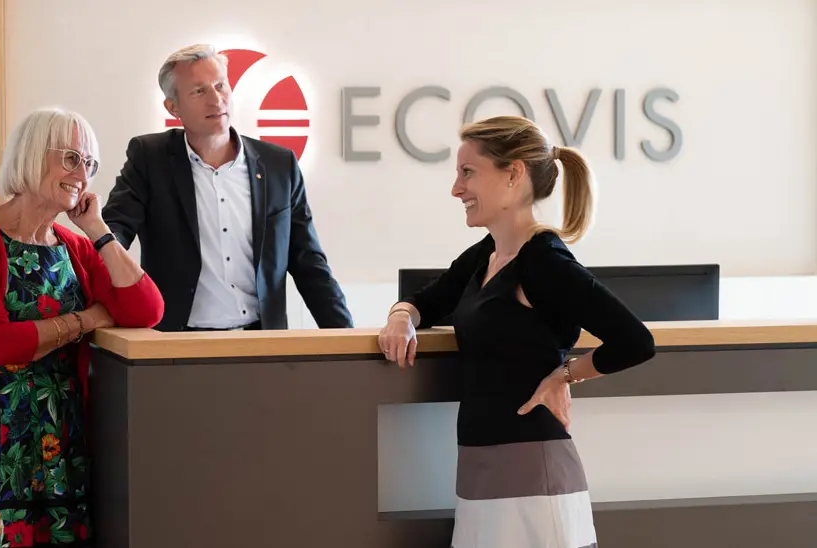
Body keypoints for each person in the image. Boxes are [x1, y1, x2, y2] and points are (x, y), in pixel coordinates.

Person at [377, 115, 656, 548]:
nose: (456, 189)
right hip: (479, 467)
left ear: (513, 174)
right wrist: (400, 316)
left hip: (532, 473)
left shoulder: (544, 261)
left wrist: (564, 375)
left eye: (468, 172)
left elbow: (635, 341)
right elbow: (427, 300)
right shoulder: (486, 255)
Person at [0, 108, 164, 547]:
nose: (82, 175)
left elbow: (146, 309)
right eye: (71, 158)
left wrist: (99, 231)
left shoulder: (75, 246)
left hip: (60, 443)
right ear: (33, 155)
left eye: (89, 164)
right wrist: (86, 319)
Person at [101, 43, 352, 332]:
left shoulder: (278, 165)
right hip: (176, 344)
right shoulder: (150, 159)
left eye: (221, 85)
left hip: (261, 342)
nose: (216, 99)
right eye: (199, 91)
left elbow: (309, 263)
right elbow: (114, 232)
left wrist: (347, 338)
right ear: (173, 107)